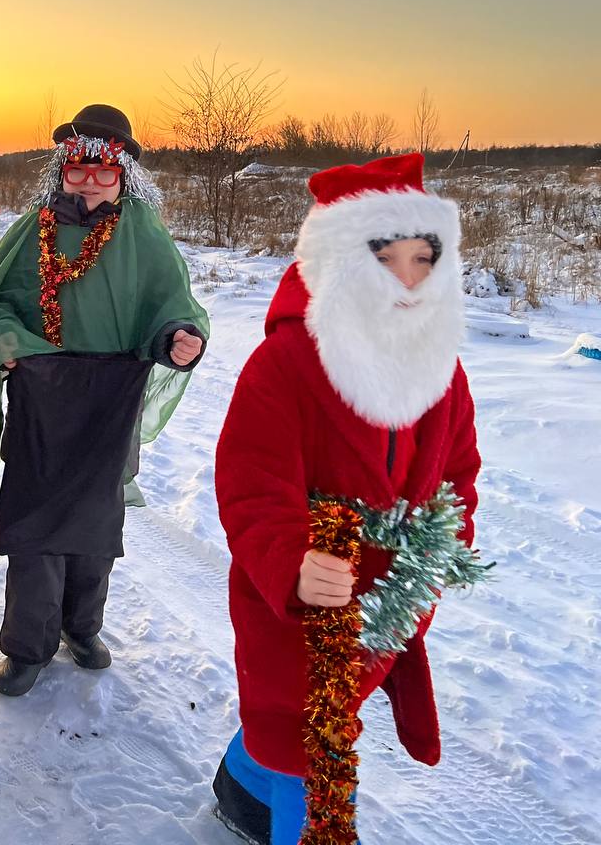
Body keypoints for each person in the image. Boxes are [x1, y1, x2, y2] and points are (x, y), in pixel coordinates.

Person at [212, 153, 485, 844]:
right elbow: (251, 483)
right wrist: (291, 562)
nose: (406, 278)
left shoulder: (441, 369)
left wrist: (446, 542)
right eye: (384, 258)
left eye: (423, 258)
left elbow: (458, 470)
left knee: (293, 727)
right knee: (314, 747)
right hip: (302, 602)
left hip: (390, 596)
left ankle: (241, 781)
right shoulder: (286, 363)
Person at [0, 104, 209, 696]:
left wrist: (177, 337)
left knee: (94, 525)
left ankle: (81, 629)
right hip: (43, 392)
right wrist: (10, 346)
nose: (89, 180)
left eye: (104, 171)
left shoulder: (143, 233)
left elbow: (171, 302)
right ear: (62, 170)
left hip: (111, 397)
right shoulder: (34, 229)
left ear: (123, 174)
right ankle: (27, 646)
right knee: (35, 525)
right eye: (77, 168)